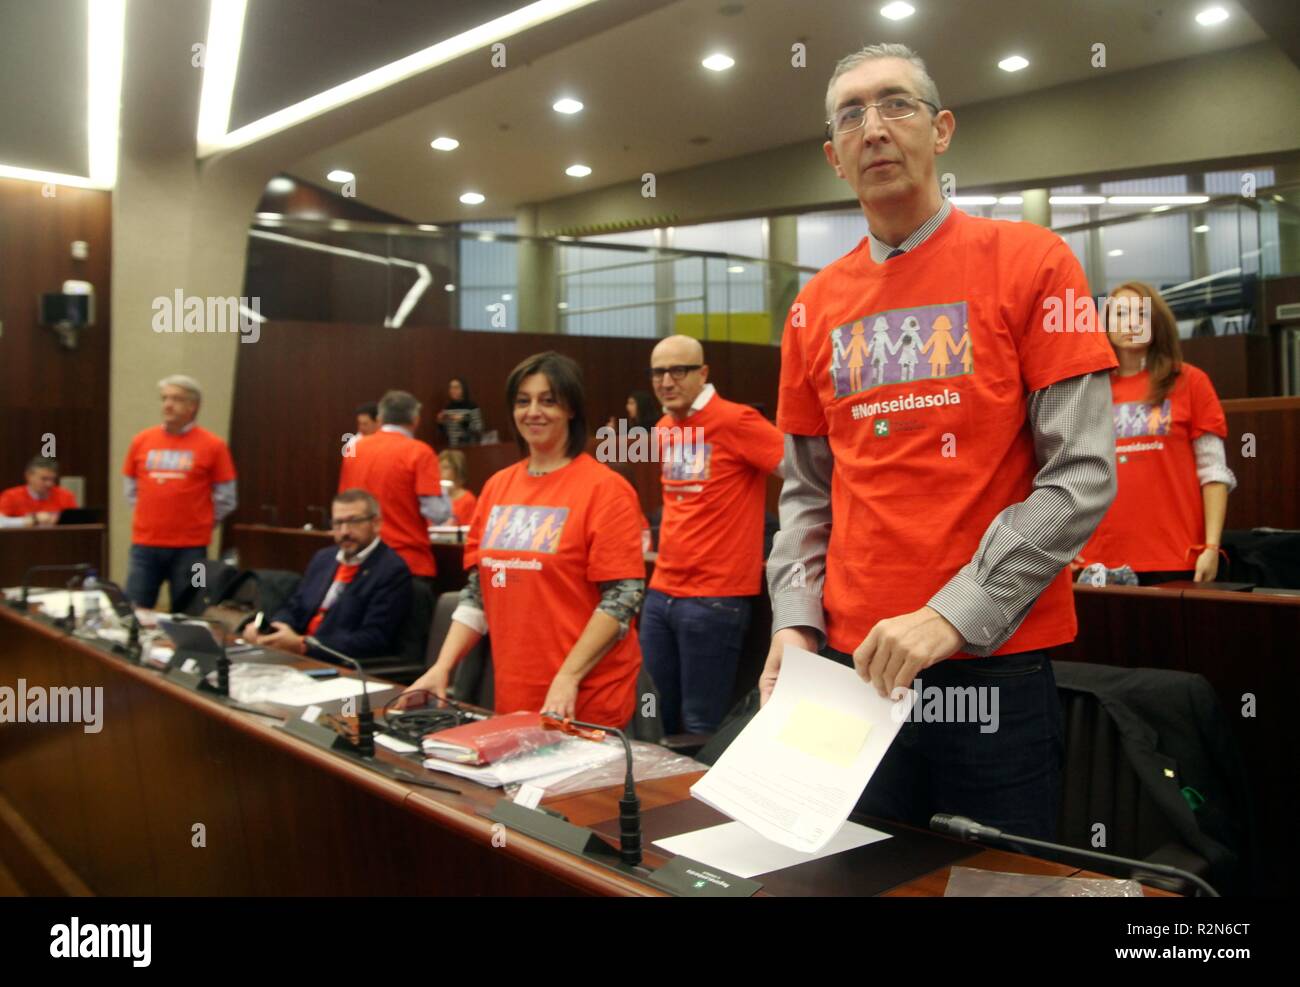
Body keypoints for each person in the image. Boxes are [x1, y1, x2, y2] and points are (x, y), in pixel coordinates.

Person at [764, 43, 1118, 840]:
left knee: (994, 889)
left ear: (942, 129)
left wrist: (953, 613)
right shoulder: (811, 308)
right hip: (851, 678)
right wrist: (794, 621)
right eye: (850, 115)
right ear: (833, 157)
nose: (874, 128)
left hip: (991, 671)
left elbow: (1084, 474)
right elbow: (805, 494)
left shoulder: (1035, 262)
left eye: (896, 105)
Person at [406, 352, 646, 725]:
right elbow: (478, 592)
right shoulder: (496, 487)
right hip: (515, 695)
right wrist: (443, 667)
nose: (534, 411)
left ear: (571, 408)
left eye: (548, 400)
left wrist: (569, 675)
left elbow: (622, 599)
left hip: (584, 698)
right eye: (523, 400)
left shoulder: (606, 490)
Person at [639, 335, 784, 734]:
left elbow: (805, 475)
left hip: (714, 598)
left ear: (702, 373)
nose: (666, 381)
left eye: (678, 370)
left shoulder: (737, 421)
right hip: (661, 594)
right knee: (655, 719)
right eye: (657, 372)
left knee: (701, 725)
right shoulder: (665, 427)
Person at [1080, 281, 1235, 583]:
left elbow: (1214, 472)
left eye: (1141, 313)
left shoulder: (1191, 381)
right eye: (1120, 314)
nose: (1131, 323)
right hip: (1099, 560)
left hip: (1177, 554)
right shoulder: (1087, 390)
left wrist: (1212, 546)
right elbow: (1074, 473)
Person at [247, 489, 412, 663]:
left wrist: (304, 645)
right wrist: (273, 629)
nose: (344, 531)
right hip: (295, 656)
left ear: (376, 523)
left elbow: (372, 639)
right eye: (337, 523)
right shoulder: (323, 558)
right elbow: (296, 606)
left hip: (335, 663)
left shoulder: (391, 569)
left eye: (354, 522)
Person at [122, 375, 238, 608]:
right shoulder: (142, 440)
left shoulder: (213, 445)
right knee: (133, 610)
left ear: (192, 406)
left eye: (176, 399)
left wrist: (201, 521)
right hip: (145, 545)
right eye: (164, 398)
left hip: (191, 548)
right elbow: (131, 490)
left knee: (189, 610)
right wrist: (153, 514)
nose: (167, 404)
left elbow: (227, 498)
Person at [339, 390, 450, 582]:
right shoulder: (420, 452)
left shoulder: (353, 450)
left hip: (359, 562)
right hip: (406, 564)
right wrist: (445, 491)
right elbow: (438, 513)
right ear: (415, 420)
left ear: (380, 418)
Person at [0, 456, 78, 526]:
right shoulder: (11, 496)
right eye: (44, 479)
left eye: (52, 479)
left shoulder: (66, 495)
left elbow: (76, 523)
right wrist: (33, 520)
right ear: (28, 476)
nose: (49, 484)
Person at [436, 377, 483, 447]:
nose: (452, 390)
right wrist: (440, 423)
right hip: (453, 448)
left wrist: (463, 421)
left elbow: (479, 429)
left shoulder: (471, 406)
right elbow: (444, 433)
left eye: (456, 387)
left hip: (470, 448)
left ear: (463, 389)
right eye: (451, 388)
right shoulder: (447, 408)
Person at [438, 449, 478, 526]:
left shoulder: (468, 500)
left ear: (457, 470)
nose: (439, 471)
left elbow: (471, 531)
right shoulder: (435, 499)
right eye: (438, 467)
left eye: (445, 467)